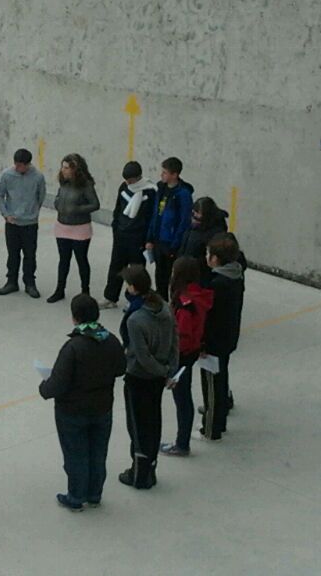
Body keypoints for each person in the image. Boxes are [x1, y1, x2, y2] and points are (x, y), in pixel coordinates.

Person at [39, 294, 125, 511]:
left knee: (76, 454)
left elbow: (57, 384)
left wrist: (44, 388)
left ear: (75, 318)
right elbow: (121, 368)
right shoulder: (111, 340)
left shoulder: (73, 348)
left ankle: (76, 496)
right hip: (103, 407)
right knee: (98, 453)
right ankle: (95, 493)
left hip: (73, 411)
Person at [118, 266, 178, 489]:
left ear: (133, 288)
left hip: (139, 377)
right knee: (153, 421)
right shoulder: (163, 306)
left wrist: (163, 371)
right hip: (158, 377)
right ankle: (150, 467)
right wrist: (170, 369)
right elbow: (174, 339)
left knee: (138, 426)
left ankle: (140, 474)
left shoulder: (136, 319)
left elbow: (142, 357)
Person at [159, 257, 213, 457]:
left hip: (180, 357)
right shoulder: (199, 296)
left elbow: (181, 334)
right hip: (191, 352)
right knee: (184, 397)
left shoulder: (184, 304)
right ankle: (182, 442)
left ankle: (181, 444)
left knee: (182, 399)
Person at [199, 234, 244, 441]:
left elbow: (210, 318)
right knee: (221, 377)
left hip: (214, 342)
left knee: (211, 383)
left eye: (209, 254)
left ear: (216, 259)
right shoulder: (236, 275)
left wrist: (203, 342)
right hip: (228, 337)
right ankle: (220, 412)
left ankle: (211, 428)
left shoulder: (217, 284)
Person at [101, 161, 156, 309]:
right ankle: (110, 298)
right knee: (116, 267)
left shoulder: (150, 191)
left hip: (138, 237)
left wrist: (147, 238)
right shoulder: (124, 187)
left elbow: (151, 216)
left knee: (136, 271)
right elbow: (118, 208)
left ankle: (135, 300)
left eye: (130, 180)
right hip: (121, 235)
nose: (127, 182)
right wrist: (116, 227)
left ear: (138, 177)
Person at [47, 154, 100, 303]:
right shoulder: (63, 182)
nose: (63, 170)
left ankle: (85, 291)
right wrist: (57, 202)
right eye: (62, 167)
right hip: (62, 226)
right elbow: (59, 196)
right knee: (63, 260)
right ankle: (59, 290)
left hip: (80, 228)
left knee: (81, 260)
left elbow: (95, 204)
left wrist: (77, 208)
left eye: (66, 168)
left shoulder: (86, 185)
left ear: (75, 169)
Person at [0, 148, 46, 298]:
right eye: (16, 165)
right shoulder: (7, 175)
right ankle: (11, 281)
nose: (18, 168)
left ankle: (30, 283)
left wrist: (34, 212)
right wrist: (6, 214)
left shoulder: (38, 177)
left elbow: (41, 195)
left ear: (28, 164)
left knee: (30, 254)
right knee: (13, 254)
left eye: (21, 165)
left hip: (30, 223)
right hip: (12, 223)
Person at [145, 157, 194, 301]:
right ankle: (161, 299)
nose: (162, 175)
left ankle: (174, 303)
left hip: (171, 242)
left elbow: (184, 222)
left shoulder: (183, 194)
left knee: (172, 275)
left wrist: (175, 244)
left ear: (175, 175)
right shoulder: (161, 188)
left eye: (165, 172)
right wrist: (150, 237)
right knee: (160, 272)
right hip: (158, 239)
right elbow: (155, 214)